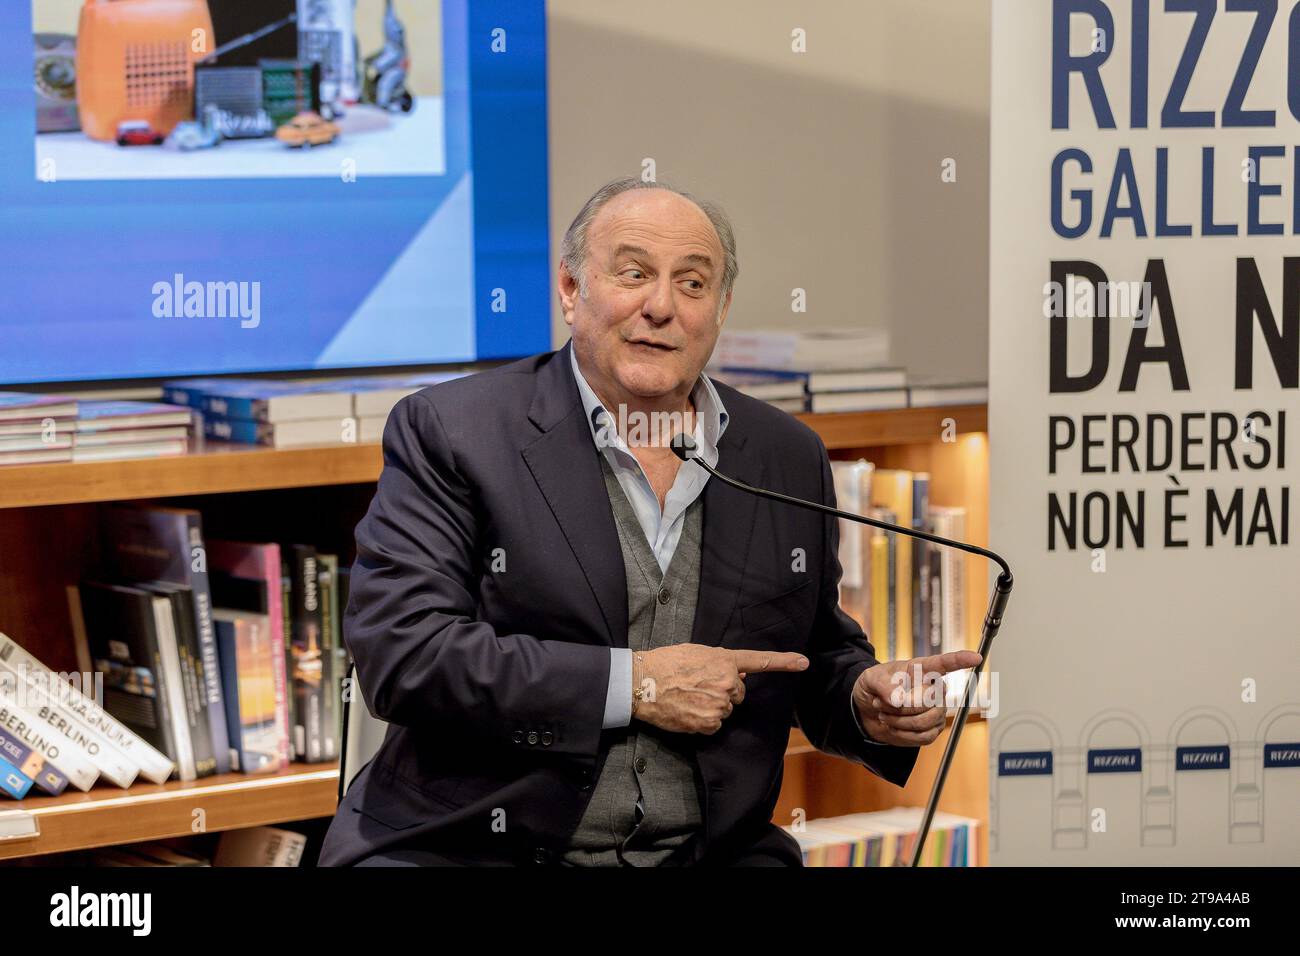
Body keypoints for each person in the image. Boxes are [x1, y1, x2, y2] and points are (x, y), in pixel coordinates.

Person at [318, 177, 981, 867]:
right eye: (634, 274)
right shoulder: (456, 432)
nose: (661, 307)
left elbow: (808, 657)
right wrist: (636, 686)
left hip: (710, 854)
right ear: (571, 290)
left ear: (719, 311)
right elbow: (403, 656)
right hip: (475, 847)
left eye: (693, 285)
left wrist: (862, 703)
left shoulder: (784, 454)